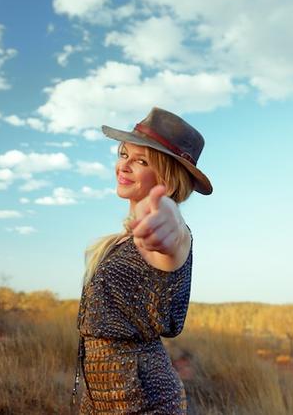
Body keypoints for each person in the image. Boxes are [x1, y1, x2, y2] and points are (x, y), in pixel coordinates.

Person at [72, 107, 213, 414]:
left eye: (141, 160)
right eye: (124, 154)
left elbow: (174, 237)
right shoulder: (123, 239)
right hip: (101, 396)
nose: (124, 166)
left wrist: (169, 216)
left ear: (168, 180)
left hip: (142, 398)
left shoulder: (169, 234)